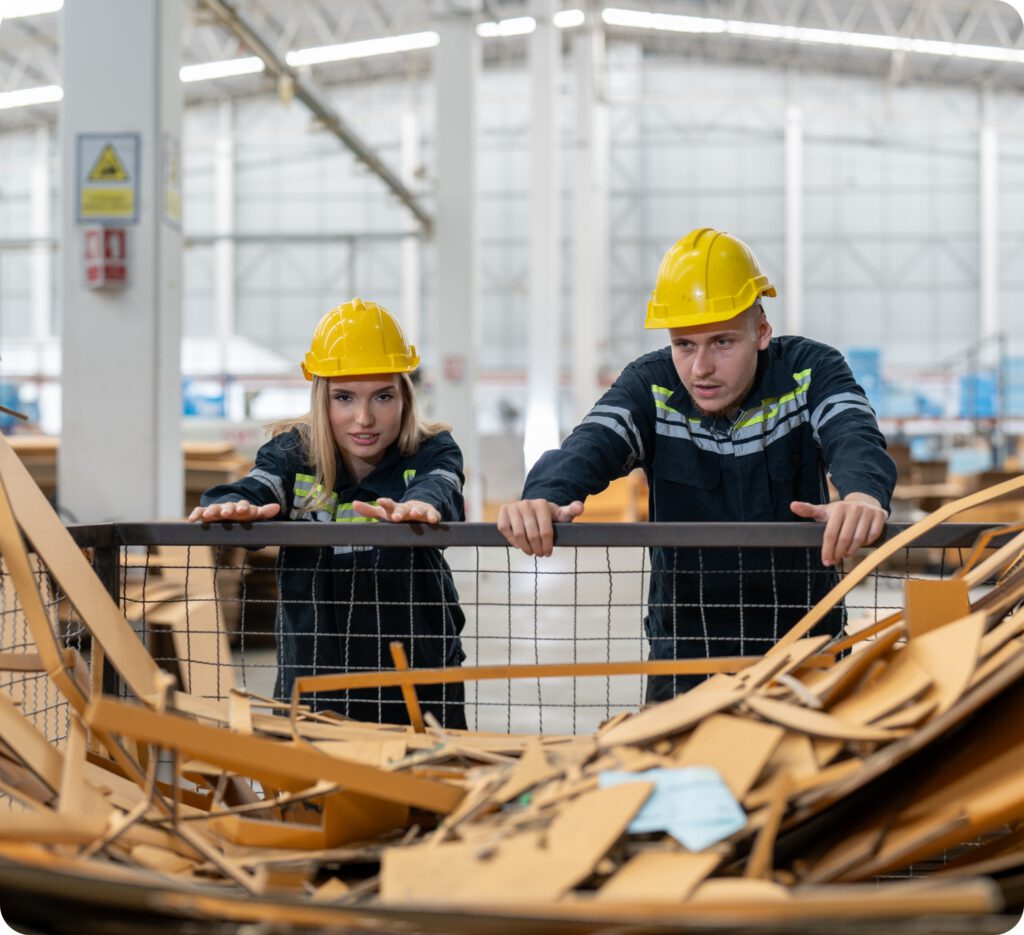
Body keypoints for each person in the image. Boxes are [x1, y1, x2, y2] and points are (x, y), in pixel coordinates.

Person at [499, 227, 897, 702]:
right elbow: (593, 440)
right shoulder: (652, 385)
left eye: (723, 343)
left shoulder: (810, 371)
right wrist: (543, 494)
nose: (700, 368)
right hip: (686, 654)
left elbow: (852, 429)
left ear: (762, 332)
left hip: (805, 647)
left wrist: (862, 494)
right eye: (684, 344)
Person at [189, 298, 467, 728]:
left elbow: (442, 487)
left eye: (383, 396)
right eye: (344, 397)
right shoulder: (291, 454)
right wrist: (235, 505)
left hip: (415, 680)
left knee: (422, 787)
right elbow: (260, 486)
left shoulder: (431, 451)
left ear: (405, 396)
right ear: (322, 398)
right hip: (313, 677)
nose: (364, 418)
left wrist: (421, 506)